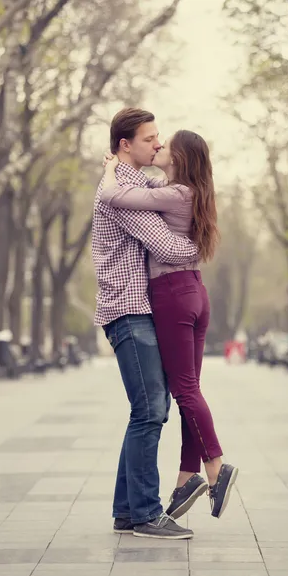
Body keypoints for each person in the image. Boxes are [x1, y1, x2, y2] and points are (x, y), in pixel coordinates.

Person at [100, 130, 238, 521]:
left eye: (164, 144)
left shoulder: (174, 193)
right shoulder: (185, 189)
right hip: (195, 291)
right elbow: (144, 185)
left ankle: (216, 467)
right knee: (190, 390)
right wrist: (124, 170)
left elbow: (115, 196)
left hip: (172, 294)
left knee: (184, 391)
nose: (158, 147)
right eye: (152, 140)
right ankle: (185, 477)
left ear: (179, 157)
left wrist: (111, 169)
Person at [92, 108, 198, 540]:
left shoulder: (131, 182)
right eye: (150, 139)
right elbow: (169, 248)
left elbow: (169, 188)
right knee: (152, 409)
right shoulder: (122, 196)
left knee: (148, 409)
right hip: (128, 309)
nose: (158, 145)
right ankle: (146, 515)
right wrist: (197, 247)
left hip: (139, 309)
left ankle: (126, 510)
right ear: (125, 145)